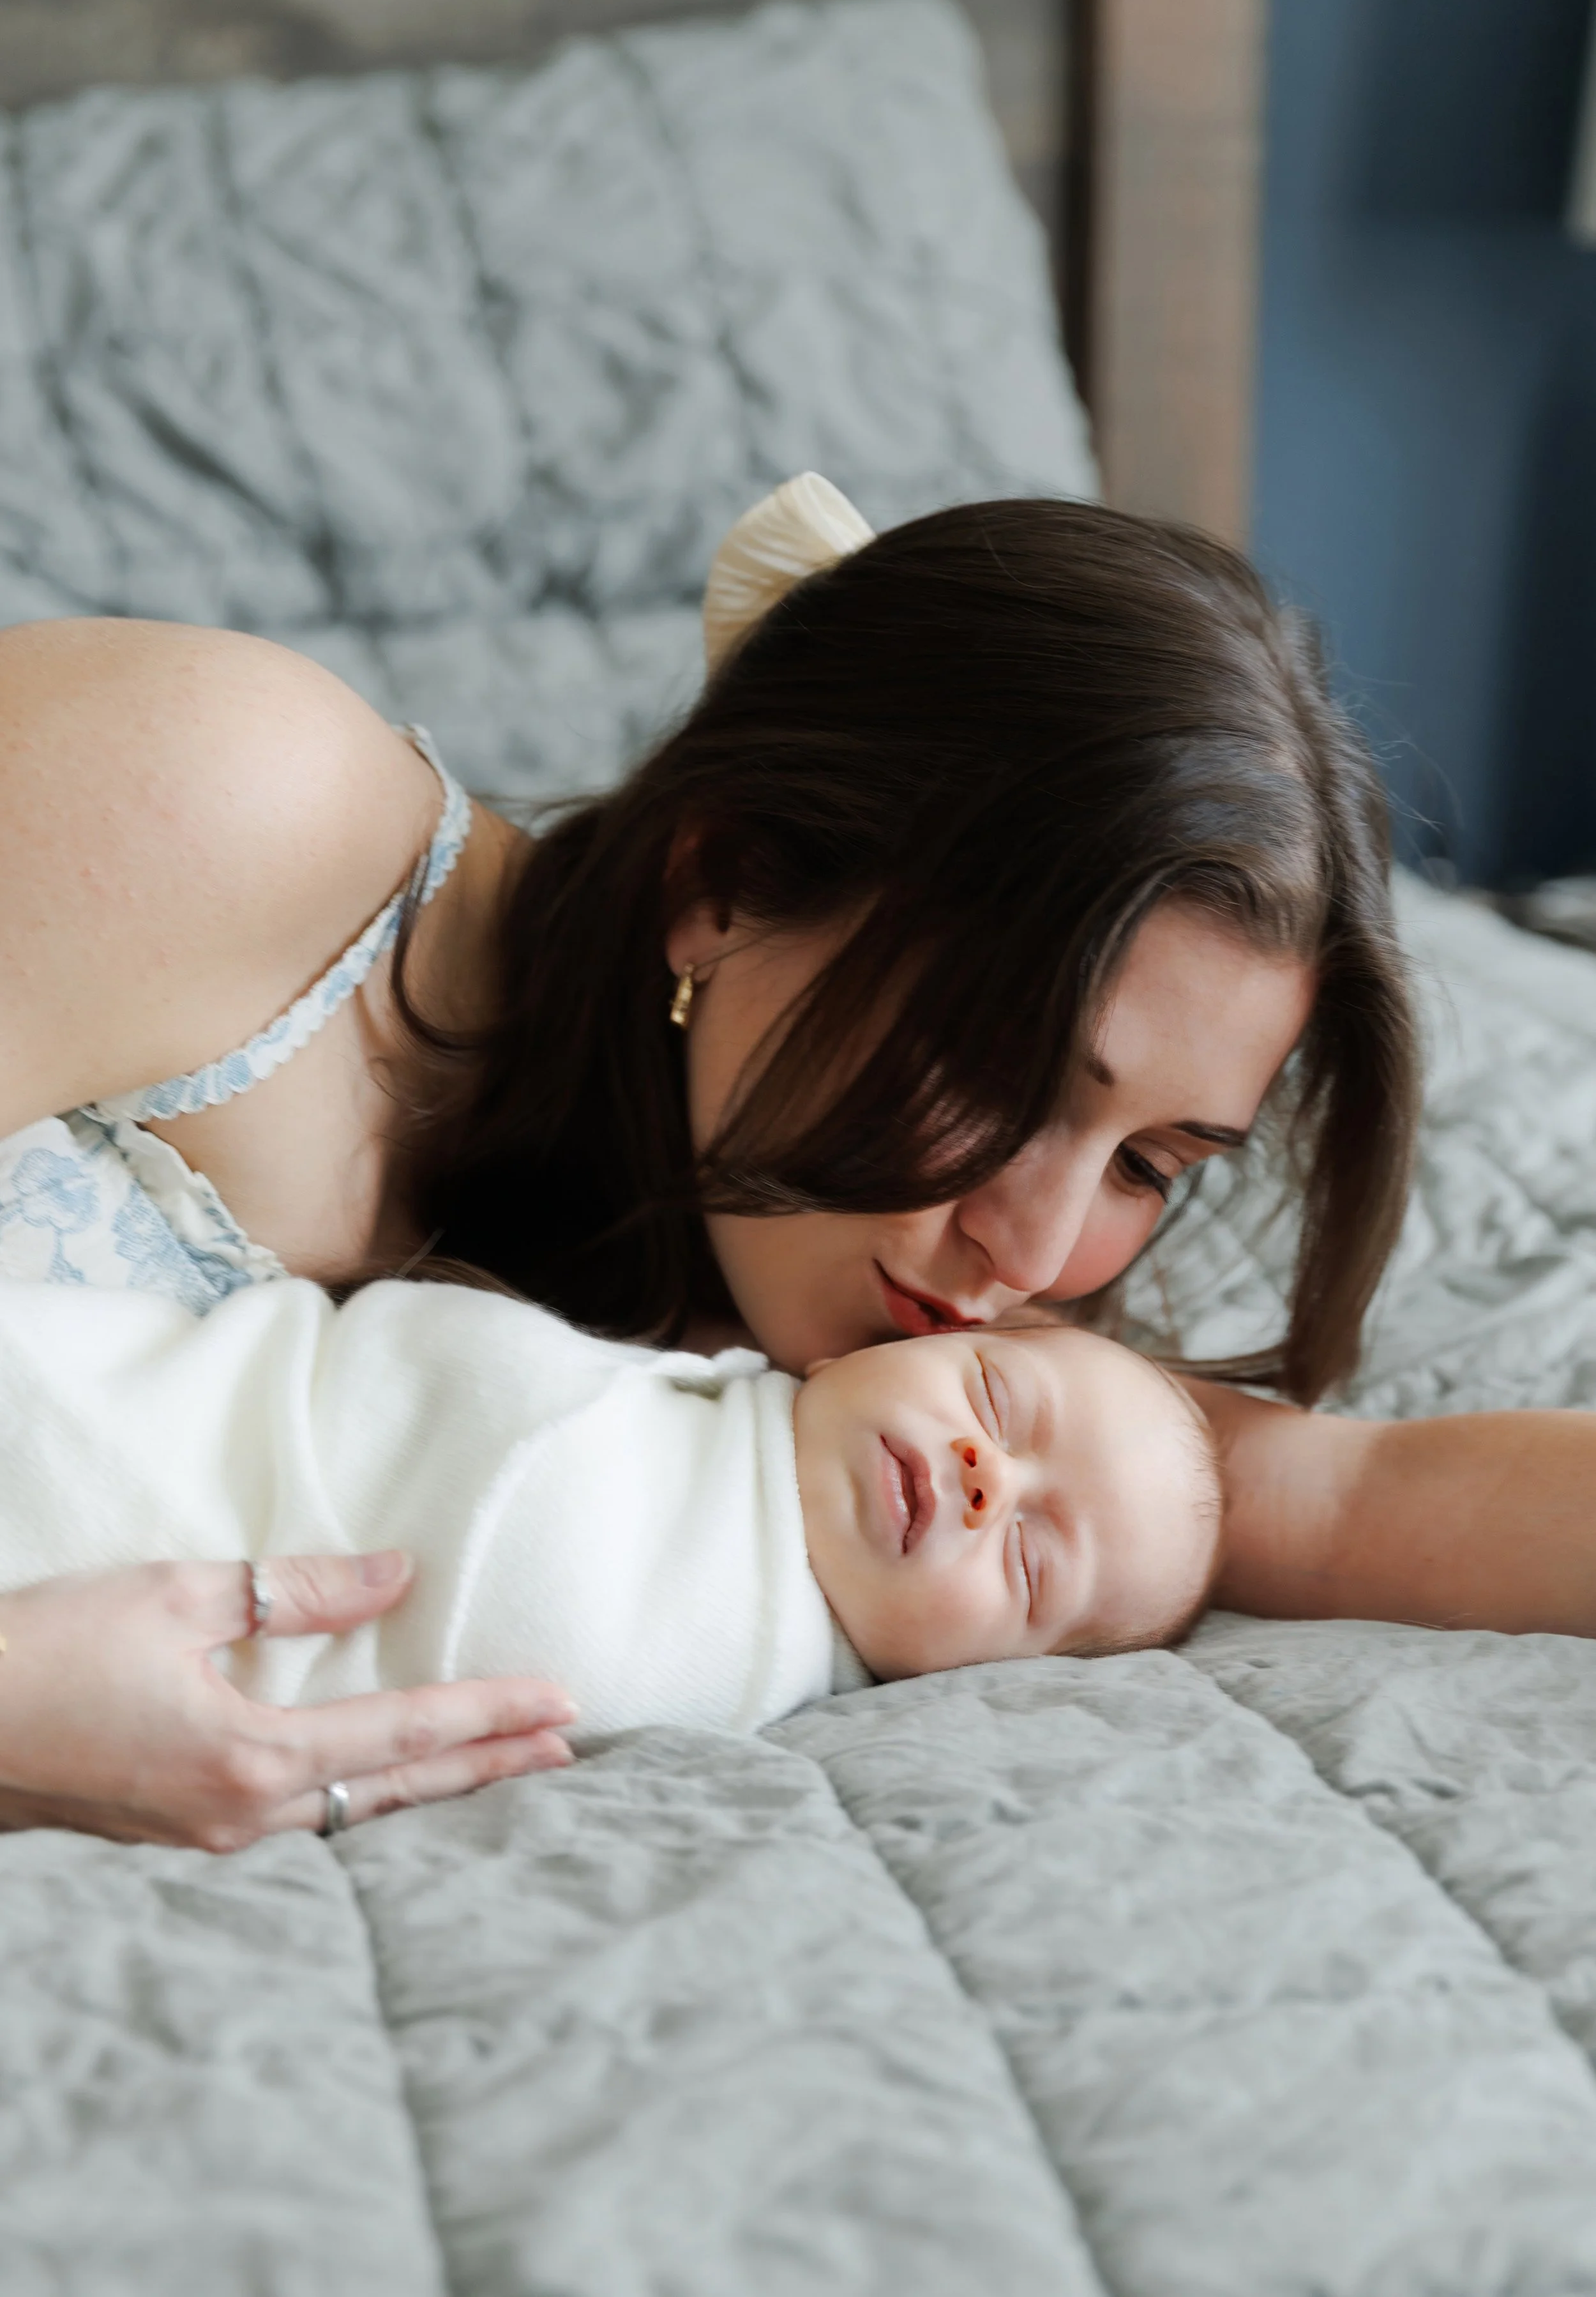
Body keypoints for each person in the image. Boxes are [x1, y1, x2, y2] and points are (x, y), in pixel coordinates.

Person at [0, 474, 1587, 1849]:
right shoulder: (231, 800)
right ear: (728, 880)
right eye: (1007, 1073)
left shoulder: (885, 1387)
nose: (1028, 1254)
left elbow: (1325, 1491)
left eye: (1146, 1164)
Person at [0, 1275, 1222, 1746]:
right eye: (994, 1399)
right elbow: (398, 1378)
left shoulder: (744, 1666)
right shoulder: (704, 1375)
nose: (983, 1476)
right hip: (161, 1399)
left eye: (1026, 1556)